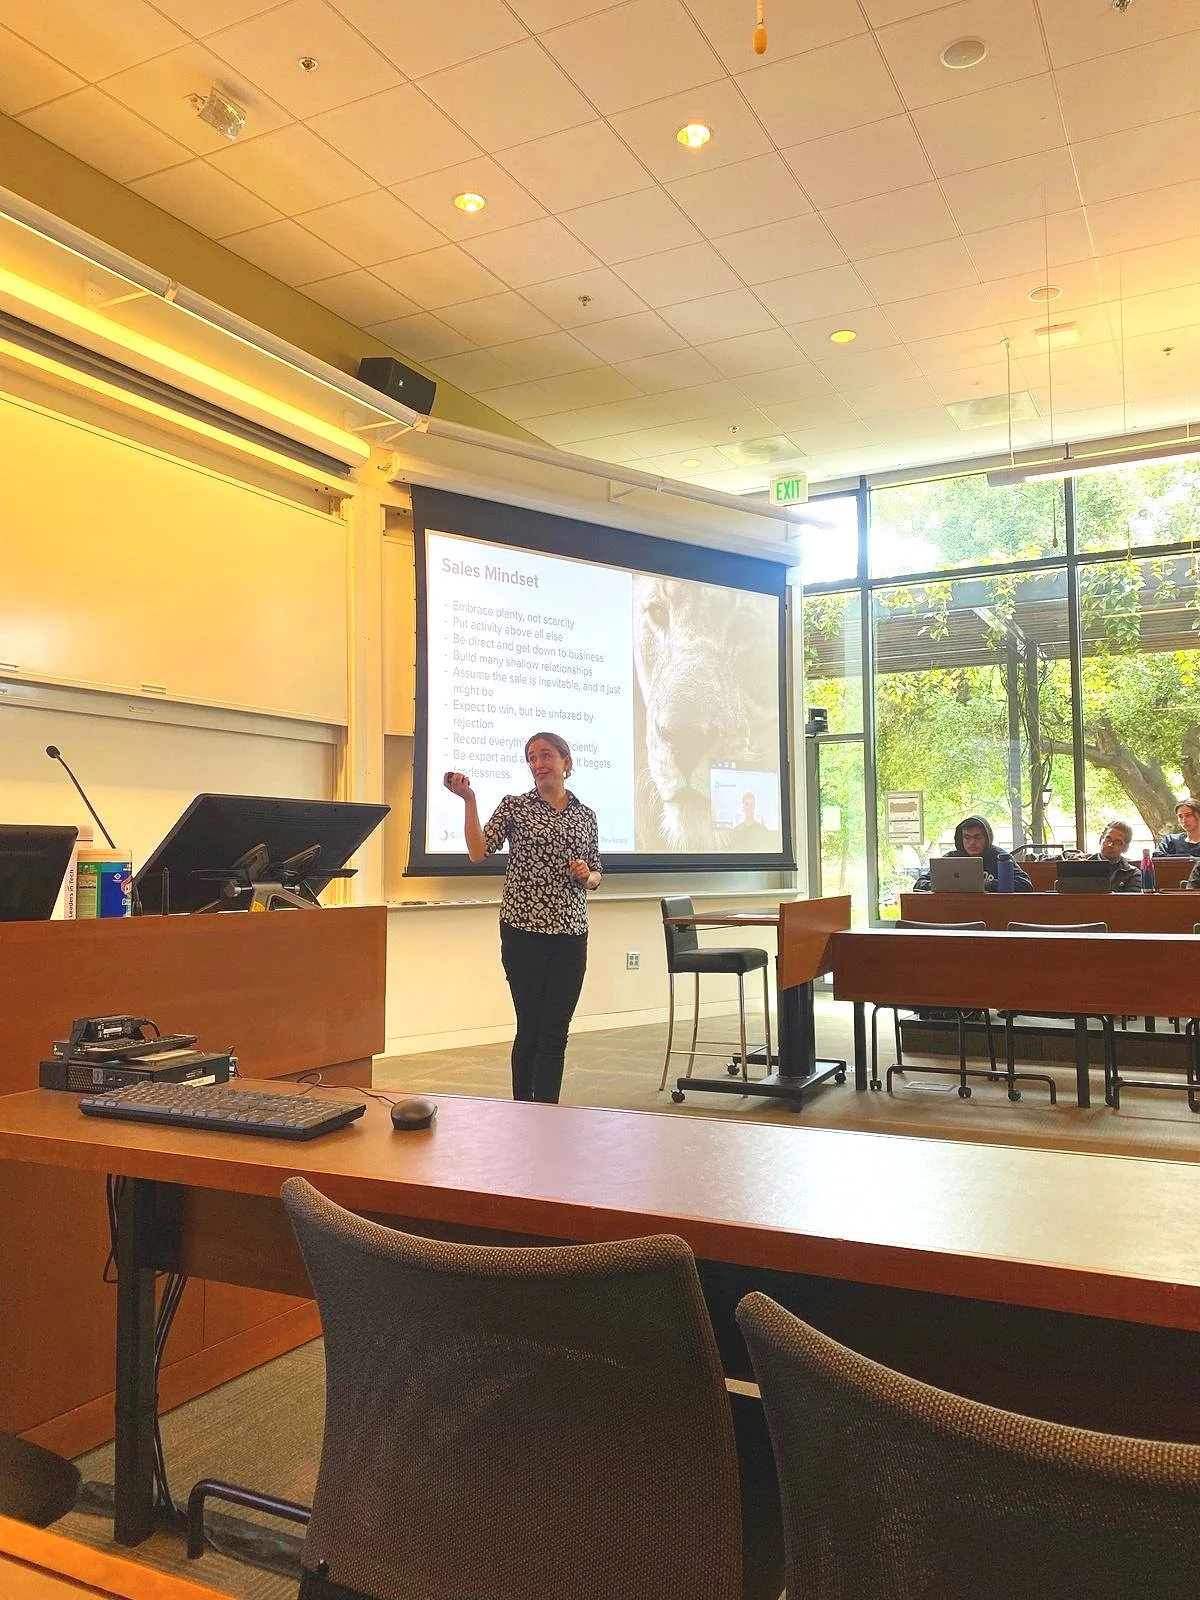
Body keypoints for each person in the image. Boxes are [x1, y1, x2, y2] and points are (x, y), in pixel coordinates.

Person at [443, 731, 601, 1105]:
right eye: (532, 757)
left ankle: (547, 1113)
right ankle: (522, 1113)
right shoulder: (515, 807)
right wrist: (469, 800)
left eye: (546, 755)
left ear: (566, 762)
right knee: (530, 1027)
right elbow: (478, 852)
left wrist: (587, 876)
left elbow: (596, 873)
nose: (538, 763)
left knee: (556, 1031)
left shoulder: (586, 815)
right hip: (523, 932)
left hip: (570, 933)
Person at [913, 815, 1033, 893]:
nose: (972, 842)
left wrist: (986, 885)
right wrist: (938, 885)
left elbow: (1025, 884)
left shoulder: (1001, 858)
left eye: (978, 837)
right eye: (967, 837)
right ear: (961, 838)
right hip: (954, 913)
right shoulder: (950, 859)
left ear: (987, 838)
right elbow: (919, 884)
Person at [1085, 820, 1141, 892]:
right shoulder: (1084, 867)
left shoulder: (1132, 873)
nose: (1110, 845)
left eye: (1117, 842)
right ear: (1100, 840)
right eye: (1108, 839)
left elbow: (1132, 898)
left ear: (1125, 848)